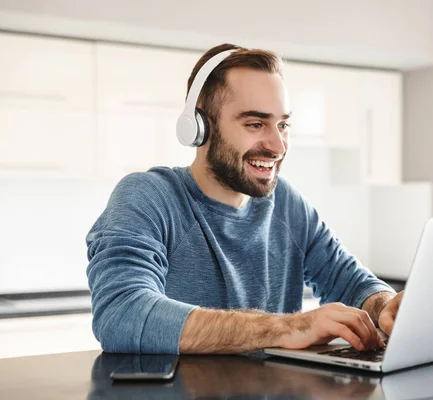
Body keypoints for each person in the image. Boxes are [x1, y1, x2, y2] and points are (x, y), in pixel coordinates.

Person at [86, 43, 404, 355]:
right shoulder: (150, 197)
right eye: (255, 124)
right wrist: (287, 327)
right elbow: (121, 314)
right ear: (199, 127)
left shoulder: (287, 205)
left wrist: (386, 306)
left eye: (283, 125)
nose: (278, 145)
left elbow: (351, 281)